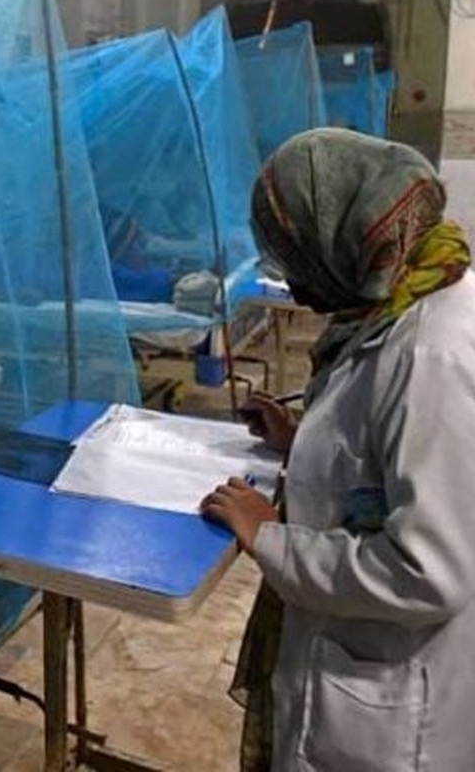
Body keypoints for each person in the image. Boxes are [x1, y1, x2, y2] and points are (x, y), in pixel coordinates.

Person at [199, 129, 475, 770]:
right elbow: (397, 453)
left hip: (394, 703)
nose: (297, 289)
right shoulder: (414, 295)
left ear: (349, 236)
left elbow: (427, 570)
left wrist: (271, 538)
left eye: (299, 259)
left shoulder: (432, 352)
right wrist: (304, 438)